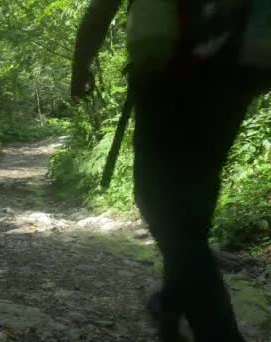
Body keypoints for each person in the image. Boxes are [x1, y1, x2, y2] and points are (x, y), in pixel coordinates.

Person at [71, 1, 261, 341]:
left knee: (158, 205)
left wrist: (81, 67)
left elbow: (101, 9)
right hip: (233, 78)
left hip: (165, 75)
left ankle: (218, 333)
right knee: (193, 212)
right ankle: (171, 302)